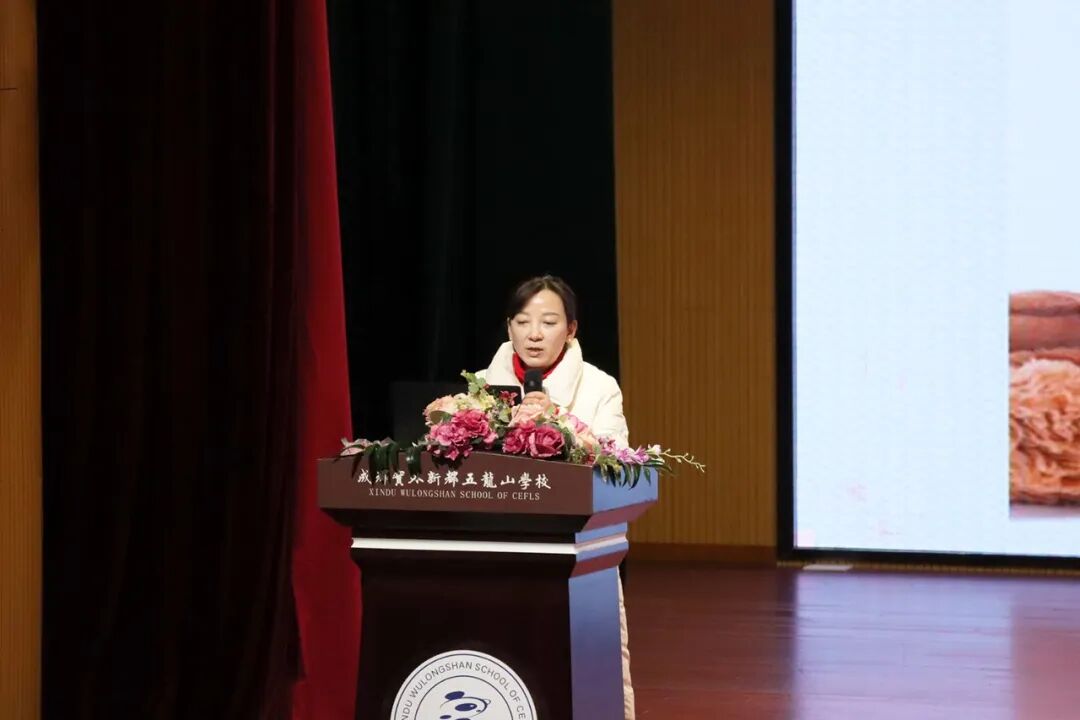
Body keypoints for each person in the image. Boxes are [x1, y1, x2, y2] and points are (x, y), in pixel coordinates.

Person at [477, 275, 636, 720]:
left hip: (579, 553)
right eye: (522, 321)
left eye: (548, 322)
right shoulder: (479, 388)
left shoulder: (599, 387)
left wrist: (558, 425)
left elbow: (616, 461)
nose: (534, 334)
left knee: (583, 670)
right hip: (498, 548)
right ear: (509, 327)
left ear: (571, 330)